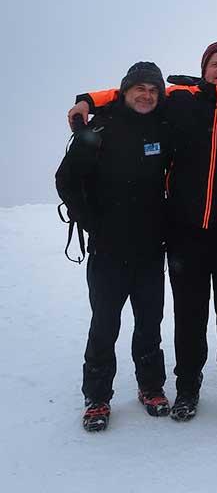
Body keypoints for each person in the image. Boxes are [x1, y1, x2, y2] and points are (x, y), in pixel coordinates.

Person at [67, 41, 217, 421]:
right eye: (214, 63)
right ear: (204, 68)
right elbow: (133, 96)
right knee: (188, 314)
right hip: (184, 232)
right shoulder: (180, 99)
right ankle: (188, 387)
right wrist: (88, 101)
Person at [56, 62, 172, 432]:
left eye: (153, 90)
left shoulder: (163, 125)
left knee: (149, 322)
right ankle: (97, 397)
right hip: (107, 249)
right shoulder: (99, 127)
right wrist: (91, 222)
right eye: (139, 88)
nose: (146, 95)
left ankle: (151, 387)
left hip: (151, 247)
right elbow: (66, 181)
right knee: (104, 323)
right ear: (124, 91)